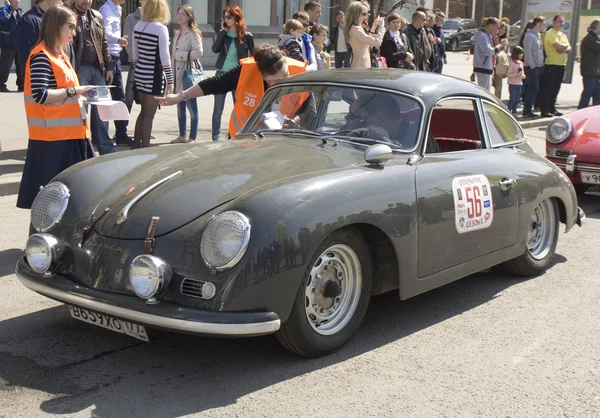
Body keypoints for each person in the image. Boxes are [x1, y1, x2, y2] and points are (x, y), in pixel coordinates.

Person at [17, 5, 93, 209]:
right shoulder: (42, 55)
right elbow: (41, 95)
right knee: (52, 204)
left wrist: (81, 95)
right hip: (53, 141)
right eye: (70, 27)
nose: (74, 33)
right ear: (55, 27)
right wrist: (73, 92)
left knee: (71, 201)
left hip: (70, 136)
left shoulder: (60, 56)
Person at [156, 44, 307, 138]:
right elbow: (213, 84)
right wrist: (180, 96)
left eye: (286, 75)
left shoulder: (300, 73)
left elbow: (309, 108)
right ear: (263, 76)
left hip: (280, 143)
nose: (284, 81)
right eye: (276, 81)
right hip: (243, 140)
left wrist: (294, 121)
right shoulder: (246, 72)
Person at [71, 0, 115, 155]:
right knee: (82, 111)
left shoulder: (97, 16)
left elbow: (103, 42)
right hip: (79, 68)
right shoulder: (69, 15)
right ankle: (84, 148)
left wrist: (109, 66)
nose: (86, 1)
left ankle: (106, 149)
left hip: (97, 68)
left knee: (103, 110)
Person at [131, 0, 172, 148]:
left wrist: (140, 67)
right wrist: (170, 80)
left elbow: (134, 56)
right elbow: (165, 57)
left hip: (140, 72)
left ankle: (136, 145)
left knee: (143, 112)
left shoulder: (138, 26)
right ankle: (146, 148)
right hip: (153, 74)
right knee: (150, 115)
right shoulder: (161, 29)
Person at [211, 4, 253, 142]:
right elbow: (215, 49)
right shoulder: (223, 33)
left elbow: (253, 56)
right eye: (225, 17)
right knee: (218, 110)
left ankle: (237, 135)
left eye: (229, 17)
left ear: (236, 17)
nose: (226, 19)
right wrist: (222, 32)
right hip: (221, 74)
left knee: (239, 108)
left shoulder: (247, 36)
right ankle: (215, 139)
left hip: (238, 76)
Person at [99, 0, 132, 146]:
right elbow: (104, 34)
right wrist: (118, 40)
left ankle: (120, 134)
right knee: (105, 99)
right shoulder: (105, 10)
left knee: (119, 98)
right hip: (108, 58)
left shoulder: (117, 9)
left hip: (116, 57)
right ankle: (100, 136)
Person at [170, 5, 202, 144]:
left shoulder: (193, 33)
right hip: (177, 73)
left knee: (191, 106)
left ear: (189, 17)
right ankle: (182, 135)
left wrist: (180, 55)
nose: (180, 16)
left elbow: (198, 52)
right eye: (178, 14)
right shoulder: (177, 33)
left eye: (183, 14)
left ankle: (192, 137)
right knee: (180, 106)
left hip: (187, 73)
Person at [16, 0, 64, 84]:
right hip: (39, 77)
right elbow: (25, 54)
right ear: (50, 1)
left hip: (55, 75)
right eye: (59, 0)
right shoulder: (29, 20)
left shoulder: (53, 19)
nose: (62, 2)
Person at [538, 15, 571, 117]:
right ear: (554, 22)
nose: (561, 23)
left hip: (561, 64)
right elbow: (557, 47)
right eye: (559, 21)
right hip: (551, 64)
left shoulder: (562, 34)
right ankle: (544, 110)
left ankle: (552, 108)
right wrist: (563, 47)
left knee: (556, 88)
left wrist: (563, 48)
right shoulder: (550, 33)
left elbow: (569, 47)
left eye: (563, 22)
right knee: (548, 88)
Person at [345, 1, 384, 69]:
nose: (366, 16)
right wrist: (381, 27)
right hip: (361, 64)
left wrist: (374, 27)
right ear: (356, 14)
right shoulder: (356, 29)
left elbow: (369, 44)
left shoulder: (357, 27)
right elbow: (377, 43)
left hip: (363, 62)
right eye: (364, 14)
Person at [472, 17, 506, 91]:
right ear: (491, 25)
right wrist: (500, 45)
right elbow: (488, 51)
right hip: (483, 68)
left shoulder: (486, 36)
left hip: (486, 67)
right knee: (484, 92)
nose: (497, 30)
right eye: (497, 27)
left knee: (486, 91)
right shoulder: (482, 36)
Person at [123, 0, 142, 123]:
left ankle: (145, 130)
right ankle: (122, 130)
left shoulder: (157, 17)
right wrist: (138, 60)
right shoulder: (131, 18)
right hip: (136, 64)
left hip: (152, 66)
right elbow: (128, 43)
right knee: (128, 98)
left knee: (148, 100)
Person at [522, 16, 545, 118]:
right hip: (532, 67)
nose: (544, 26)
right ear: (538, 24)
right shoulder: (529, 36)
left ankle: (528, 110)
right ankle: (527, 110)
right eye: (543, 24)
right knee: (533, 88)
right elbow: (528, 54)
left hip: (539, 66)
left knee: (535, 89)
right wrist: (533, 67)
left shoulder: (538, 35)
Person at [0, 0, 23, 92]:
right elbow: (3, 19)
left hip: (19, 43)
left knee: (20, 66)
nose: (18, 2)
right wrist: (8, 7)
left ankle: (21, 85)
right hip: (8, 43)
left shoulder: (19, 11)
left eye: (18, 0)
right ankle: (1, 85)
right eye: (15, 0)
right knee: (5, 67)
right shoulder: (4, 11)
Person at [578, 19, 600, 109]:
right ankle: (579, 114)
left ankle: (595, 117)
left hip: (595, 73)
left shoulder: (595, 38)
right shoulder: (589, 39)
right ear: (595, 27)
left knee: (597, 97)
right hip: (590, 73)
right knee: (587, 96)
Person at [507, 45, 526, 115]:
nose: (522, 55)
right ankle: (509, 110)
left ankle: (514, 110)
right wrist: (516, 75)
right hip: (512, 84)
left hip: (519, 83)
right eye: (520, 53)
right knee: (513, 98)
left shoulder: (521, 63)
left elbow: (523, 73)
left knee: (517, 99)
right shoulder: (511, 63)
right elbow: (508, 74)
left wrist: (523, 76)